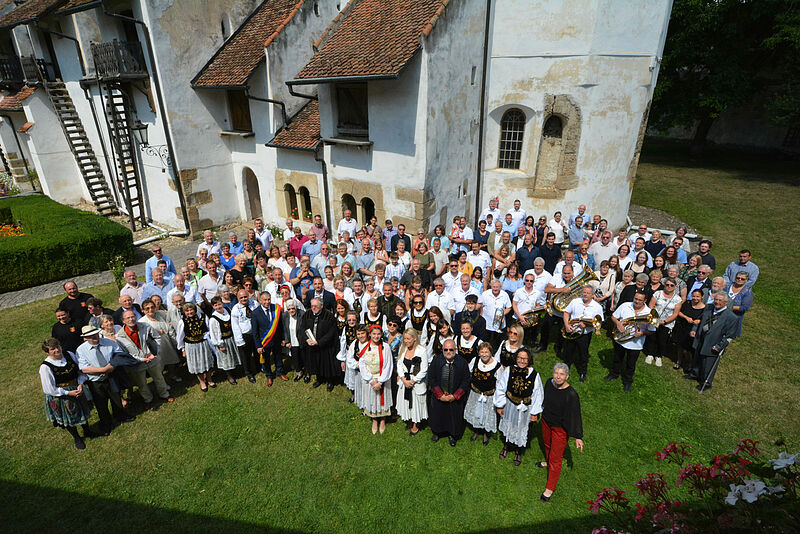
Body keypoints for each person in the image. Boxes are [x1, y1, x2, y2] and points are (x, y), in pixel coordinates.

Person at [538, 362, 584, 502]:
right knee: (547, 444)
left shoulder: (571, 394)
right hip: (546, 421)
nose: (558, 377)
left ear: (567, 376)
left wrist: (578, 437)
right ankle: (547, 461)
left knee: (556, 458)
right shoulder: (548, 383)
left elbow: (576, 415)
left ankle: (549, 488)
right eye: (556, 373)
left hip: (560, 429)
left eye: (561, 374)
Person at [39, 338, 94, 449]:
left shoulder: (69, 355)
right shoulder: (45, 367)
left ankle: (87, 431)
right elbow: (49, 389)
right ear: (47, 352)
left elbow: (79, 370)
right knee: (68, 417)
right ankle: (77, 438)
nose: (56, 350)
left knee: (82, 410)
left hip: (77, 388)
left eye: (57, 346)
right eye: (52, 349)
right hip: (61, 395)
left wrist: (80, 383)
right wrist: (68, 393)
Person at [494, 347, 544, 466]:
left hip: (525, 408)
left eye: (525, 359)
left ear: (529, 360)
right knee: (509, 425)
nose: (522, 361)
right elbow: (501, 387)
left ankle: (518, 451)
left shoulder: (534, 375)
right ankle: (506, 446)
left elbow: (538, 394)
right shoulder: (509, 370)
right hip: (510, 405)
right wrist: (500, 405)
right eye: (520, 358)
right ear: (516, 358)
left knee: (522, 428)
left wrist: (534, 413)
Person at [116, 310, 173, 408]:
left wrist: (155, 352)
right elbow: (126, 353)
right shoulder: (119, 336)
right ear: (123, 321)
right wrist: (142, 359)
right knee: (141, 383)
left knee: (159, 377)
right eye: (128, 318)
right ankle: (148, 400)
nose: (131, 319)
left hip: (152, 358)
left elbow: (157, 338)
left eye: (133, 316)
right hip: (137, 363)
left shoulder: (145, 326)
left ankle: (165, 394)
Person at [686, 293, 738, 393]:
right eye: (716, 299)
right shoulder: (708, 309)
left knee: (708, 364)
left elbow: (730, 336)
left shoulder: (731, 317)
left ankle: (706, 382)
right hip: (701, 338)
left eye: (720, 301)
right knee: (697, 358)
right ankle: (694, 374)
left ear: (726, 303)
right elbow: (699, 321)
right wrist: (694, 329)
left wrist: (720, 346)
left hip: (713, 343)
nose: (717, 302)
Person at [607, 290, 656, 392]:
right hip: (620, 339)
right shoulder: (625, 305)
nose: (637, 301)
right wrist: (618, 323)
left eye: (640, 300)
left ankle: (628, 381)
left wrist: (642, 333)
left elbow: (652, 330)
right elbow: (614, 316)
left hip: (635, 344)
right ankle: (614, 374)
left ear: (645, 301)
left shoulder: (649, 313)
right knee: (617, 359)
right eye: (635, 299)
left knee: (631, 364)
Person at [429, 339, 470, 446]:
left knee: (454, 417)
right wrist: (440, 395)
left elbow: (466, 381)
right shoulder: (436, 361)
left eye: (451, 349)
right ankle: (438, 432)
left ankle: (453, 435)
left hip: (455, 398)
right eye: (446, 349)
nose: (448, 352)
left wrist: (455, 396)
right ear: (442, 350)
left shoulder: (462, 363)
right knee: (438, 415)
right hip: (440, 397)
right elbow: (431, 378)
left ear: (455, 350)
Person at [562, 286, 604, 382]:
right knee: (568, 352)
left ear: (592, 295)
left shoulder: (597, 307)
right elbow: (566, 313)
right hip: (572, 330)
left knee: (583, 355)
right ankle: (565, 370)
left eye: (588, 293)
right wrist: (567, 325)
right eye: (584, 292)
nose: (585, 294)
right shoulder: (575, 301)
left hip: (585, 334)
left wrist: (587, 326)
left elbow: (599, 323)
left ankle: (582, 373)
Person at [464, 342, 501, 446]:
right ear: (479, 352)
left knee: (486, 413)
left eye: (486, 352)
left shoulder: (497, 366)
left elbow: (499, 383)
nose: (484, 354)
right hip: (475, 393)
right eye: (482, 352)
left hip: (488, 395)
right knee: (476, 411)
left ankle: (485, 433)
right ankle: (476, 431)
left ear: (491, 352)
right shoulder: (475, 361)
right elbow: (468, 372)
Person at [301, 297, 340, 391]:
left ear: (321, 306)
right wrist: (307, 339)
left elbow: (331, 332)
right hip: (312, 345)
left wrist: (319, 342)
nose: (313, 308)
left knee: (327, 365)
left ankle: (330, 381)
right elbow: (302, 328)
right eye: (312, 306)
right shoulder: (307, 314)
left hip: (325, 346)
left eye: (316, 306)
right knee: (316, 363)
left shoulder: (329, 316)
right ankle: (319, 379)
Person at [138, 298, 181, 382]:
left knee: (171, 358)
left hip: (167, 340)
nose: (150, 310)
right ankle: (163, 381)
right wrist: (155, 332)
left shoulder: (161, 314)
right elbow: (142, 337)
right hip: (155, 346)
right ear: (143, 310)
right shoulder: (142, 322)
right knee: (159, 364)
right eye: (147, 308)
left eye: (152, 307)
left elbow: (169, 321)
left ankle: (172, 375)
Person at [396, 329, 428, 436]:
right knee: (406, 402)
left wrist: (413, 381)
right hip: (405, 381)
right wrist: (404, 379)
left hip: (416, 382)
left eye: (408, 339)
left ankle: (415, 424)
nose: (406, 341)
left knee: (416, 403)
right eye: (404, 338)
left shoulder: (422, 350)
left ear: (415, 339)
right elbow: (399, 365)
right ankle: (409, 419)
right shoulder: (403, 349)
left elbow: (424, 369)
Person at [644, 277, 682, 368]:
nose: (669, 287)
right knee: (652, 337)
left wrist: (664, 322)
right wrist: (654, 318)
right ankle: (650, 354)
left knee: (662, 340)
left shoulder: (678, 299)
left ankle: (659, 356)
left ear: (675, 287)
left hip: (667, 323)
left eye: (671, 285)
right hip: (654, 319)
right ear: (664, 285)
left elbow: (675, 313)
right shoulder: (658, 293)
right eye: (667, 285)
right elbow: (651, 305)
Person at [251, 291, 287, 387]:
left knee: (278, 356)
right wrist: (258, 346)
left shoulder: (276, 308)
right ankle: (269, 375)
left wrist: (283, 338)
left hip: (276, 339)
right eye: (265, 300)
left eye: (269, 299)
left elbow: (280, 326)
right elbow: (255, 332)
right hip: (264, 342)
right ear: (260, 300)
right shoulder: (255, 313)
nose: (267, 302)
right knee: (266, 360)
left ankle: (280, 372)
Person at [207, 296, 241, 385]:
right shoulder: (213, 319)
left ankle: (235, 371)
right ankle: (229, 376)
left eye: (219, 304)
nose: (218, 307)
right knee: (226, 358)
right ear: (213, 306)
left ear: (222, 303)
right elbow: (214, 334)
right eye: (216, 305)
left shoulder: (227, 310)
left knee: (233, 355)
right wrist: (220, 345)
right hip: (223, 341)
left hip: (232, 338)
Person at [672, 289, 706, 371]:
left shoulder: (704, 308)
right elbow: (678, 312)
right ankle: (679, 361)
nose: (695, 298)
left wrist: (699, 321)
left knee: (687, 349)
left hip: (692, 330)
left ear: (702, 297)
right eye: (693, 296)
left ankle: (689, 363)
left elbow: (705, 319)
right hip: (682, 327)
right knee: (679, 346)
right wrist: (686, 317)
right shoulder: (687, 303)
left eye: (697, 296)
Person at [230, 289, 259, 383]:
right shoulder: (235, 309)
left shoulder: (254, 304)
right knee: (245, 356)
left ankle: (259, 367)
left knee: (257, 352)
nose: (243, 299)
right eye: (241, 297)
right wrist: (240, 340)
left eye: (245, 296)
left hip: (255, 333)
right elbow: (235, 326)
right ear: (238, 298)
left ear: (248, 296)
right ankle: (249, 373)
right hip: (244, 335)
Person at [479, 279, 512, 350]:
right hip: (487, 324)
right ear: (491, 286)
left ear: (500, 287)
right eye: (493, 287)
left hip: (500, 325)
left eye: (497, 287)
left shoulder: (504, 295)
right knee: (486, 343)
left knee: (498, 344)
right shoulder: (485, 294)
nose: (495, 289)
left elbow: (509, 307)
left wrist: (503, 314)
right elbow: (480, 306)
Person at [726, 271, 753, 338]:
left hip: (734, 316)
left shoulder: (747, 292)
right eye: (738, 277)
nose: (739, 279)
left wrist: (729, 307)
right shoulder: (727, 286)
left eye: (742, 279)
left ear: (746, 280)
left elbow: (744, 308)